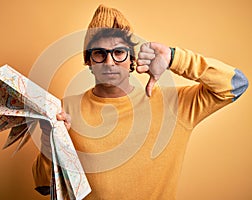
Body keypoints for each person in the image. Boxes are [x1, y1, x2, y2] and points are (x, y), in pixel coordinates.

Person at [32, 4, 248, 200]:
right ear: (88, 60)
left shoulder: (175, 104)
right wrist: (50, 140)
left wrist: (173, 57)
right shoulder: (64, 109)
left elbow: (237, 84)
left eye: (118, 52)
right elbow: (43, 186)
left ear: (132, 59)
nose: (109, 62)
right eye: (99, 53)